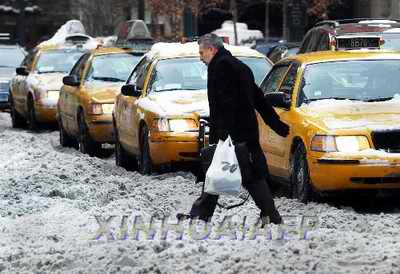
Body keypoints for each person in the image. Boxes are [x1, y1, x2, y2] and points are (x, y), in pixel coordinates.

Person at [180, 33, 290, 225]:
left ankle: (272, 216)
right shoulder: (238, 66)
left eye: (201, 52)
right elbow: (258, 98)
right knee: (228, 173)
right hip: (243, 132)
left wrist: (223, 135)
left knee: (246, 176)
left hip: (234, 134)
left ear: (212, 50)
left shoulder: (222, 67)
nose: (200, 57)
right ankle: (270, 216)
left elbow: (227, 104)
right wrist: (276, 124)